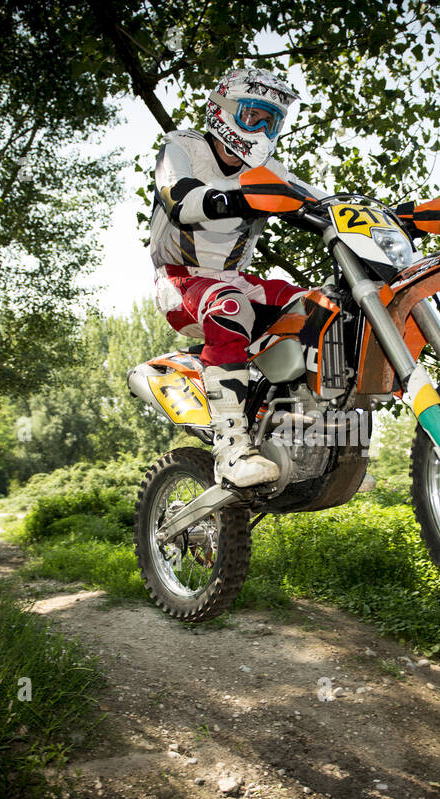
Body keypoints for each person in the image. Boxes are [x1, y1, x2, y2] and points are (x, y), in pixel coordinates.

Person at [148, 66, 326, 487]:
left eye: (272, 121)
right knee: (229, 307)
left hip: (234, 278)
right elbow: (179, 197)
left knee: (320, 308)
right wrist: (242, 195)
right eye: (254, 116)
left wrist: (399, 215)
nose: (262, 129)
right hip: (179, 279)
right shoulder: (182, 147)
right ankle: (230, 451)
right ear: (221, 110)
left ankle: (315, 444)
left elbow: (324, 202)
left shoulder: (268, 168)